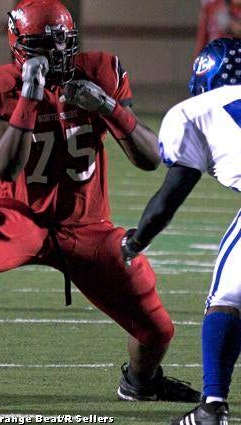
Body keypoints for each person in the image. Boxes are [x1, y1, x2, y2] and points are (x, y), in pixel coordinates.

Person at [0, 0, 200, 405]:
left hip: (88, 225)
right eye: (46, 45)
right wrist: (29, 95)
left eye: (65, 44)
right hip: (18, 214)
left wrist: (109, 108)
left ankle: (140, 382)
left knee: (158, 331)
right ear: (20, 46)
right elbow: (5, 167)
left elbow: (151, 160)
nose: (59, 54)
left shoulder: (102, 71)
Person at [121, 37, 241, 424]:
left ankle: (212, 407)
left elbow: (170, 196)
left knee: (227, 299)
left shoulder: (193, 111)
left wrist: (136, 241)